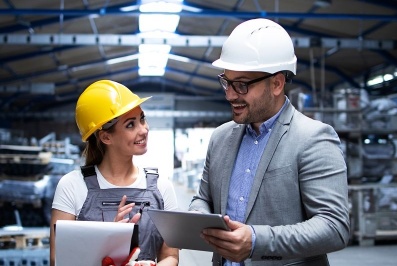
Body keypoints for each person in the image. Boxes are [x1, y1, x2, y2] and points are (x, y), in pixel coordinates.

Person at [188, 18, 350, 266]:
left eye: (241, 85)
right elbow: (203, 197)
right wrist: (198, 215)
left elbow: (334, 226)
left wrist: (255, 241)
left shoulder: (313, 138)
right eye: (227, 82)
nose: (230, 94)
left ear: (276, 83)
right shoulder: (220, 138)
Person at [50, 80, 179, 266]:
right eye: (130, 125)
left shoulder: (162, 187)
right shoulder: (72, 186)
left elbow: (171, 256)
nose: (144, 129)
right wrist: (108, 241)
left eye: (142, 119)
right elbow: (57, 260)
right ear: (106, 137)